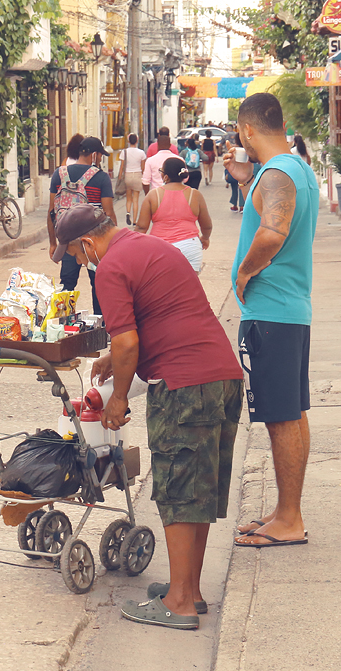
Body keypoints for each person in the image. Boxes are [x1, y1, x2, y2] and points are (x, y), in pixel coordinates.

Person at [52, 204, 244, 630]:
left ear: (87, 243)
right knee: (200, 490)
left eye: (78, 257)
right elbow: (162, 322)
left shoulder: (113, 266)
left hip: (184, 386)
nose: (83, 264)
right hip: (222, 376)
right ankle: (188, 589)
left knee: (177, 489)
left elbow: (127, 342)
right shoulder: (150, 246)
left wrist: (119, 398)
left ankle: (178, 604)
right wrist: (114, 362)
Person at [227, 92, 318, 549]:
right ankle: (286, 510)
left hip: (271, 314)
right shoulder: (293, 168)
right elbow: (273, 208)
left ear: (246, 131)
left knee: (281, 417)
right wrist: (247, 179)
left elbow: (274, 229)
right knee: (291, 414)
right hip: (289, 312)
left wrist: (244, 271)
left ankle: (290, 520)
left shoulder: (279, 172)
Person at [47, 136, 117, 316]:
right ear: (94, 155)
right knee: (99, 284)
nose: (101, 159)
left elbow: (51, 211)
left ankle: (62, 323)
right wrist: (114, 241)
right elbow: (108, 212)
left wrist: (53, 243)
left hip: (68, 239)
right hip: (95, 242)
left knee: (67, 284)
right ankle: (101, 326)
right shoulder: (101, 178)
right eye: (100, 155)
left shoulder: (59, 174)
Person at [137, 157, 213, 273]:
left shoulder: (153, 195)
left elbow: (142, 227)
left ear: (165, 176)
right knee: (188, 286)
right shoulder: (195, 195)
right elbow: (207, 225)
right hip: (190, 246)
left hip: (160, 247)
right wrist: (205, 238)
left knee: (162, 287)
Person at [116, 133, 147, 225]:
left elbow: (122, 166)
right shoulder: (141, 153)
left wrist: (120, 177)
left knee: (128, 198)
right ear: (137, 141)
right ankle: (134, 221)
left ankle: (128, 212)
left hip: (127, 176)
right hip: (137, 175)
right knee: (136, 199)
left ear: (129, 141)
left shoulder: (124, 152)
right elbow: (143, 168)